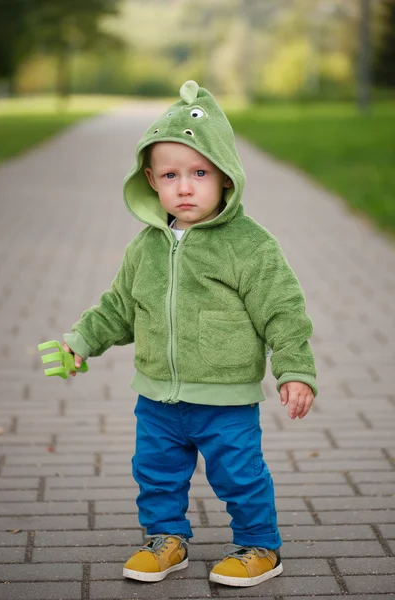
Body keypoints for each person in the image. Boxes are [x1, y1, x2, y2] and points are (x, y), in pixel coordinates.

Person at [62, 80, 317, 588]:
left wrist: (295, 369)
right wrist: (81, 341)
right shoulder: (146, 248)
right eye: (170, 175)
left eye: (199, 173)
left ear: (225, 177)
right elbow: (118, 306)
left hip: (225, 397)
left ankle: (259, 546)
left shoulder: (250, 245)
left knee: (239, 476)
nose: (184, 187)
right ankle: (166, 540)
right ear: (151, 182)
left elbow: (283, 310)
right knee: (155, 474)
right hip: (157, 394)